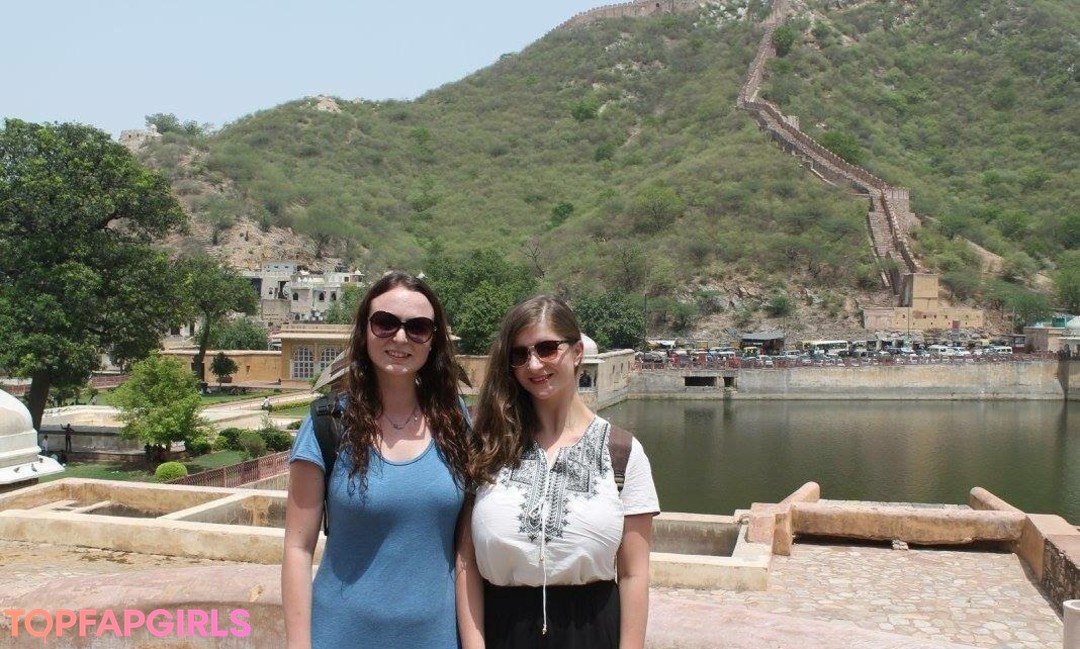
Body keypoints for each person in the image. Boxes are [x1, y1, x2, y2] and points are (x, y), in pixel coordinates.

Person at [282, 271, 472, 649]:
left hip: (435, 637)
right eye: (385, 323)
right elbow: (297, 549)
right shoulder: (328, 424)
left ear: (432, 341)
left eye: (417, 327)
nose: (400, 338)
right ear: (364, 330)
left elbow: (467, 550)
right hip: (341, 634)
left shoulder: (454, 421)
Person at [457, 296, 660, 649]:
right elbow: (467, 561)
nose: (534, 364)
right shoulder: (488, 446)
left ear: (577, 352)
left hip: (591, 632)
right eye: (519, 354)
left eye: (547, 348)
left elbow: (633, 573)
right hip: (503, 630)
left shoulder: (622, 453)